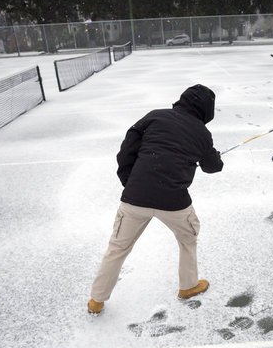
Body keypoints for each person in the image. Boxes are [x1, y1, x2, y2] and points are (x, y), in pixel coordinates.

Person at [88, 84, 224, 315]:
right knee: (188, 238)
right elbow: (213, 167)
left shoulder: (155, 116)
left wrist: (130, 182)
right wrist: (214, 156)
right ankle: (188, 286)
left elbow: (126, 150)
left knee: (117, 247)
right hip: (174, 202)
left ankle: (96, 301)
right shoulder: (202, 133)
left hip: (135, 198)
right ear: (207, 110)